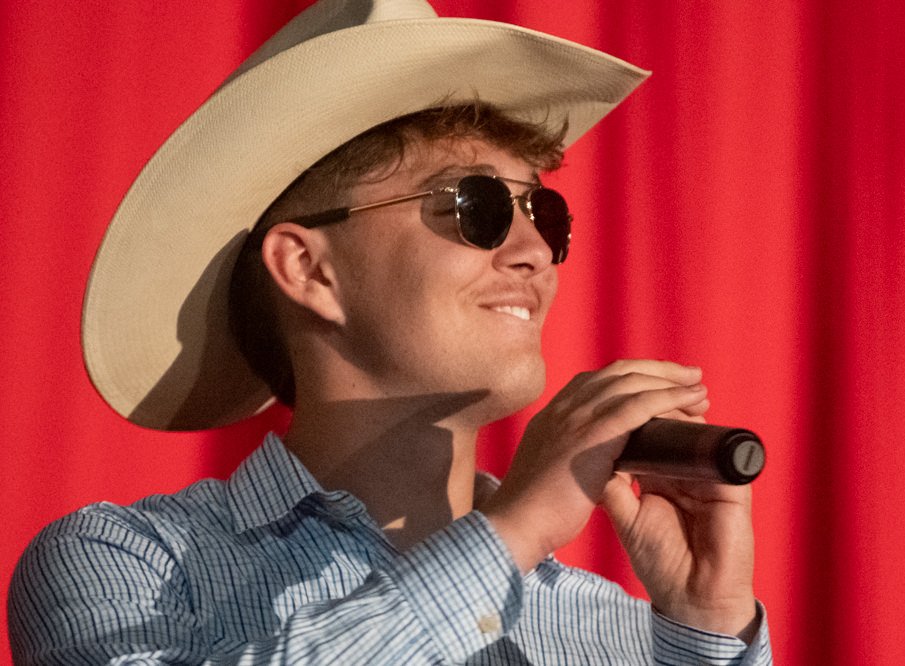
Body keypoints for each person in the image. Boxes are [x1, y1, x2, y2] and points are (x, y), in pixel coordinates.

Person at [8, 1, 772, 663]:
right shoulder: (128, 563)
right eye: (476, 206)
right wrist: (510, 536)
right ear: (308, 270)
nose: (535, 253)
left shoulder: (618, 630)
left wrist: (707, 632)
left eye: (545, 215)